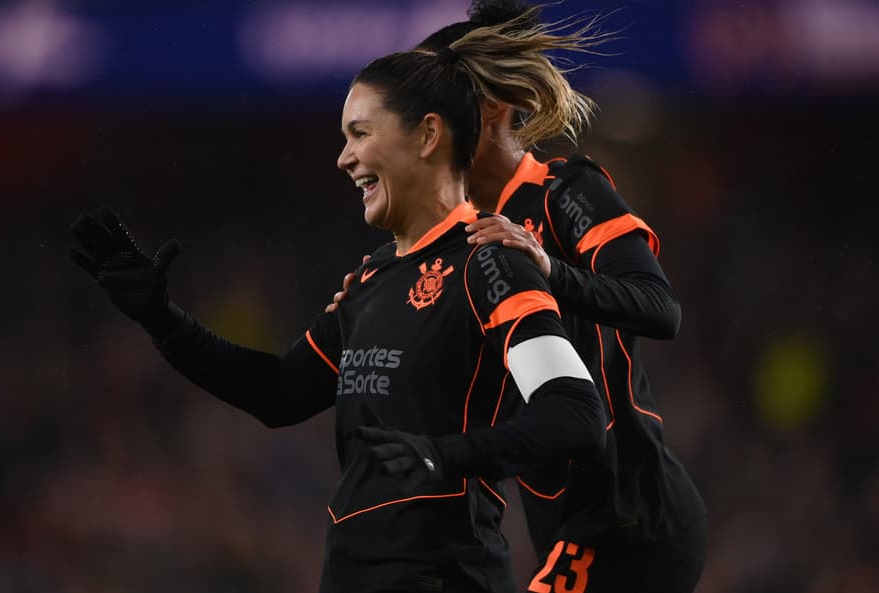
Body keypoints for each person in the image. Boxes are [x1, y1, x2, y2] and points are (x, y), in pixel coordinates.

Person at [67, 20, 609, 593]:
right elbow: (278, 391)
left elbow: (576, 414)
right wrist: (162, 319)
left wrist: (445, 455)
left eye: (359, 133)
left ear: (427, 135)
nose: (343, 158)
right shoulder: (373, 279)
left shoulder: (490, 262)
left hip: (444, 575)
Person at [328, 2, 708, 592]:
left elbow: (660, 308)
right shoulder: (461, 236)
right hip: (562, 526)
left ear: (492, 108)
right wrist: (375, 304)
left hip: (632, 517)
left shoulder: (564, 192)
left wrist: (550, 269)